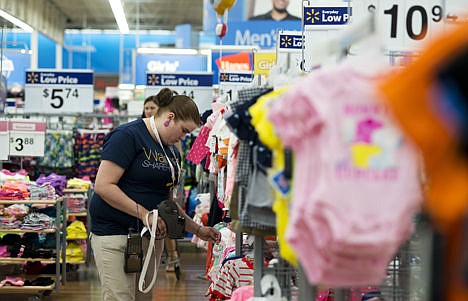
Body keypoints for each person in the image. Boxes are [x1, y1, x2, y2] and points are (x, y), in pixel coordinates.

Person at [89, 88, 221, 301]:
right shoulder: (127, 135)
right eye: (184, 130)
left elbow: (166, 203)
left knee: (143, 298)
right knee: (120, 297)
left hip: (148, 238)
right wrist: (143, 213)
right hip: (114, 232)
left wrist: (198, 230)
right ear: (170, 118)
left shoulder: (170, 151)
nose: (184, 137)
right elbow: (104, 186)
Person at [141, 94, 181, 273]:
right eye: (146, 108)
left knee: (168, 217)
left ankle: (172, 256)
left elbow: (179, 158)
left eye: (152, 108)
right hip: (147, 194)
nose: (148, 111)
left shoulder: (171, 134)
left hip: (169, 181)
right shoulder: (138, 131)